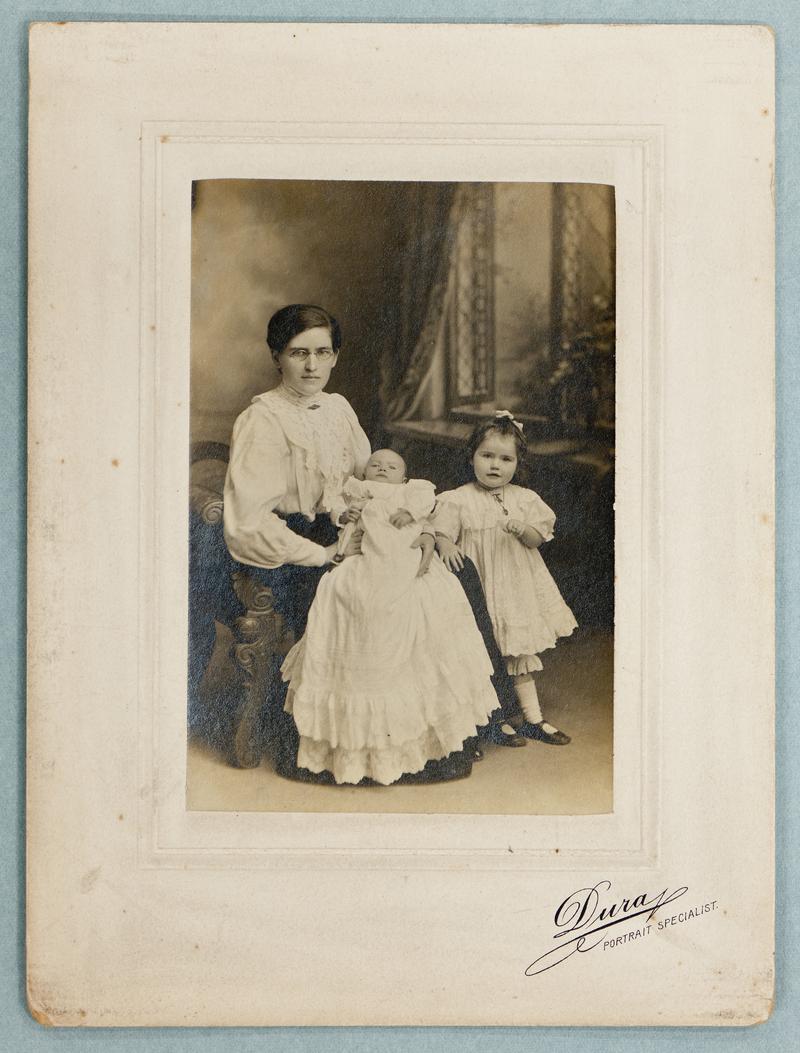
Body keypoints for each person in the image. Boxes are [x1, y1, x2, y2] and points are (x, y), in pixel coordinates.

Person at [220, 304, 436, 778]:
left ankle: (426, 733)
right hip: (292, 547)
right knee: (374, 598)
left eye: (322, 352)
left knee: (437, 581)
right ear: (277, 356)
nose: (312, 366)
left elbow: (367, 478)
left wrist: (407, 525)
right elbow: (249, 522)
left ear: (336, 356)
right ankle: (351, 745)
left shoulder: (337, 407)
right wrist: (323, 554)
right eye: (299, 353)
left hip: (346, 529)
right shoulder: (263, 419)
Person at [280, 450, 498, 785]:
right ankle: (357, 754)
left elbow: (427, 505)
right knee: (347, 597)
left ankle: (430, 744)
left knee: (430, 601)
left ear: (404, 475)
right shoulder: (356, 490)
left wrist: (414, 518)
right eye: (376, 465)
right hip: (362, 558)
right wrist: (344, 513)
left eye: (392, 466)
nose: (382, 469)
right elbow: (335, 507)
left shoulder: (411, 490)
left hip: (404, 553)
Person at [432, 411, 577, 745]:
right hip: (478, 587)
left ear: (517, 462)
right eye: (487, 456)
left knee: (517, 652)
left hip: (514, 587)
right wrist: (445, 543)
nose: (495, 465)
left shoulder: (524, 499)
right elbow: (439, 533)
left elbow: (537, 539)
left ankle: (532, 718)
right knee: (483, 652)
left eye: (505, 458)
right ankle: (494, 722)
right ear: (472, 458)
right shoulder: (457, 499)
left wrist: (522, 528)